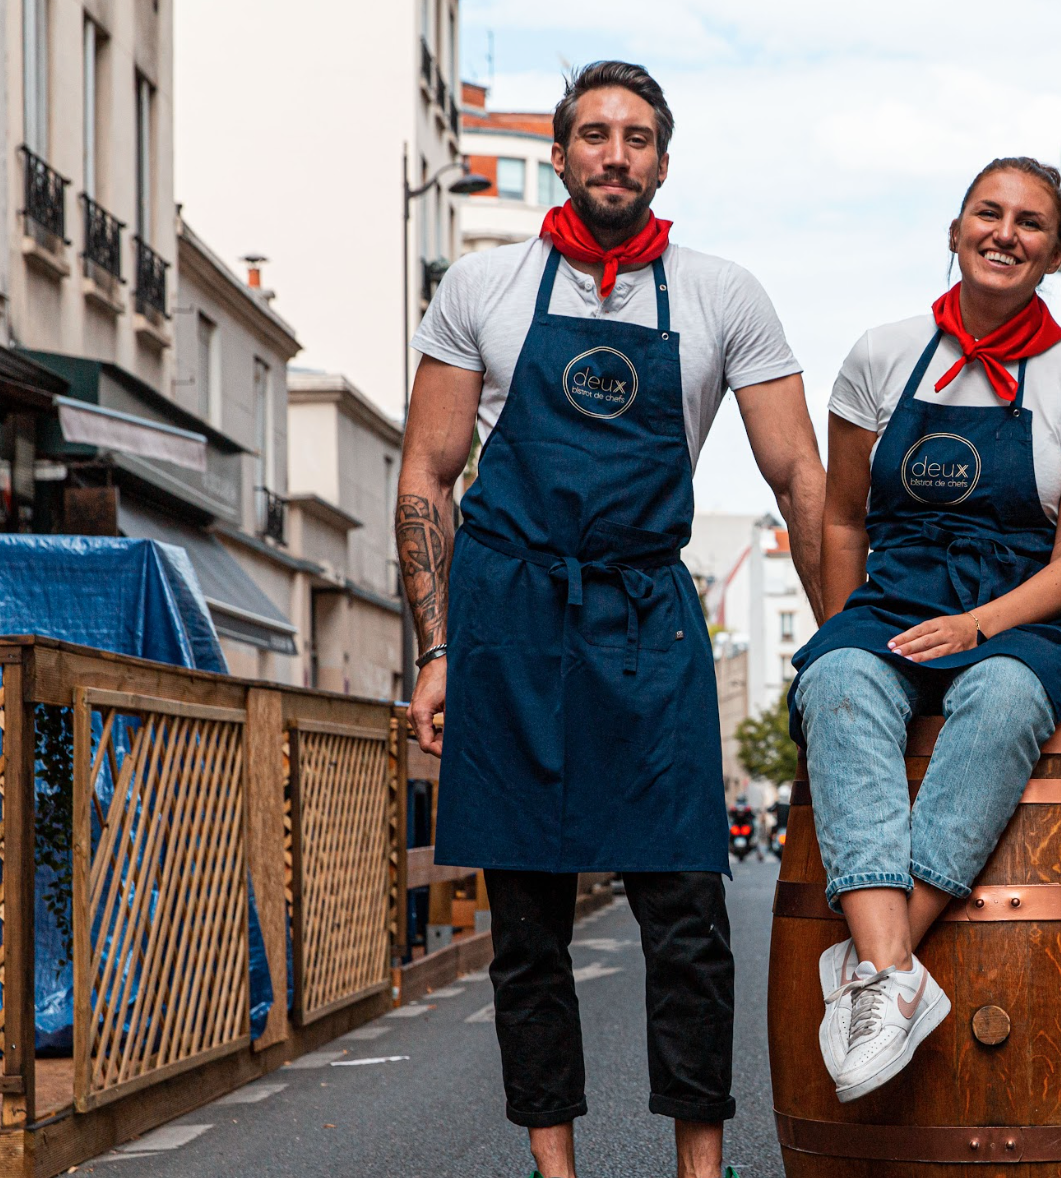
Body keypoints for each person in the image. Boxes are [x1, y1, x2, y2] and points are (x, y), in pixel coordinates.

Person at [399, 61, 824, 1178]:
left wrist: (842, 646)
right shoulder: (482, 288)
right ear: (563, 153)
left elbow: (800, 479)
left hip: (647, 615)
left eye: (637, 137)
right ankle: (556, 1165)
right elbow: (425, 477)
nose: (615, 153)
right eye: (595, 133)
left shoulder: (722, 293)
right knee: (527, 921)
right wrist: (437, 647)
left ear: (663, 162)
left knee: (688, 910)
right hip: (510, 618)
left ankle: (701, 1163)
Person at [788, 157, 1061, 1103]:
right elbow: (844, 519)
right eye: (989, 212)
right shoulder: (880, 354)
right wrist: (845, 631)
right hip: (894, 599)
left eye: (1029, 223)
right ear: (955, 228)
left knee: (1004, 694)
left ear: (1055, 254)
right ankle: (892, 973)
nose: (1005, 233)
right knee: (836, 684)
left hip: (1022, 611)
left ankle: (877, 966)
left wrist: (976, 626)